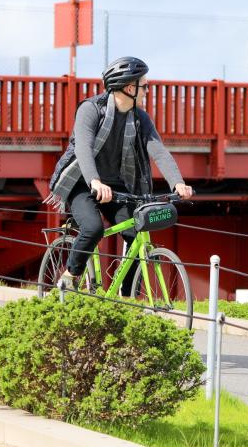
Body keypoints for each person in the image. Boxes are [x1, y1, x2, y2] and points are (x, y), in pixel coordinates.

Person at [45, 56, 193, 293]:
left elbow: (159, 151)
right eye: (145, 85)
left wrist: (178, 183)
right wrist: (95, 181)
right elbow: (83, 149)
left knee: (137, 231)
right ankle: (70, 275)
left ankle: (127, 297)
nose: (147, 90)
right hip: (83, 183)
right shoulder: (90, 110)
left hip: (116, 187)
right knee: (93, 229)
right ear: (130, 88)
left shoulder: (140, 118)